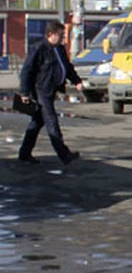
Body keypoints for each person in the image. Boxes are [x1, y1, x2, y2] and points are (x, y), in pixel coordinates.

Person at [18, 21, 84, 165]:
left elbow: (67, 67)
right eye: (60, 35)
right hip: (41, 90)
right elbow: (26, 71)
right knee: (51, 121)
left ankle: (24, 153)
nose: (63, 38)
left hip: (50, 90)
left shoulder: (59, 49)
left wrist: (76, 81)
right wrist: (24, 92)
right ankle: (64, 154)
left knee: (36, 122)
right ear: (50, 35)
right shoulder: (39, 49)